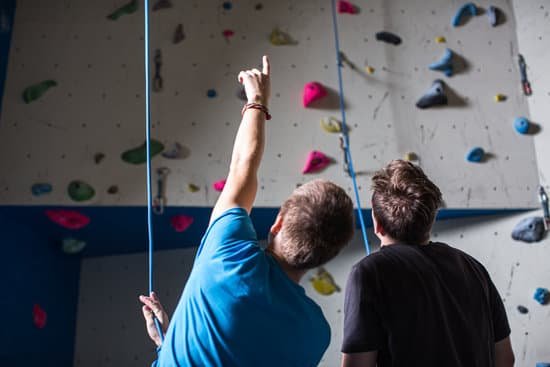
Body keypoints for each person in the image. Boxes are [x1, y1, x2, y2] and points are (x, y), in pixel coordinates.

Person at [139, 55, 356, 366]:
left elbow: (243, 166)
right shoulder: (316, 333)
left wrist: (257, 100)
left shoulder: (229, 254)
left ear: (278, 224)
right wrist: (170, 340)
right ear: (326, 256)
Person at [340, 159, 515, 367]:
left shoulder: (369, 272)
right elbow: (505, 358)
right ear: (430, 221)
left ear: (377, 224)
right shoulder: (471, 266)